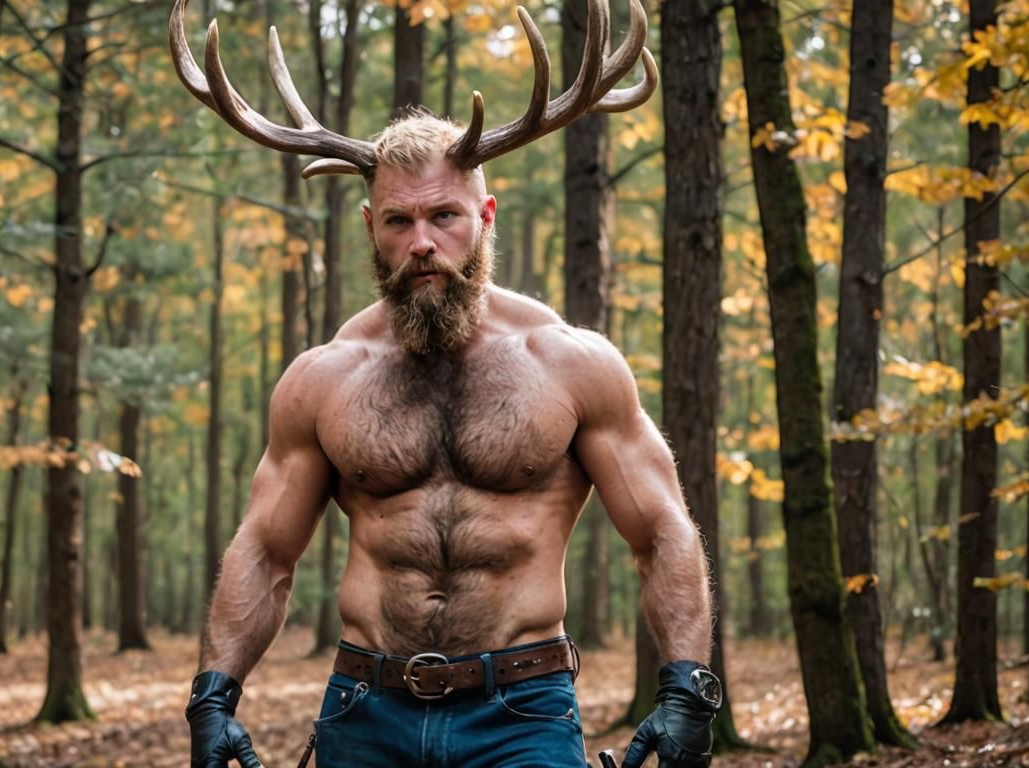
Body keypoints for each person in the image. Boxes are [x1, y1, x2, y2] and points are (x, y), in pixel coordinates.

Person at [183, 113, 723, 768]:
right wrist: (213, 697)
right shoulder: (323, 378)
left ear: (485, 216)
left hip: (522, 712)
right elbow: (267, 552)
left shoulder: (570, 364)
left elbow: (662, 531)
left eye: (444, 216)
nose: (421, 243)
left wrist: (688, 690)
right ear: (369, 226)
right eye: (397, 221)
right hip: (366, 708)